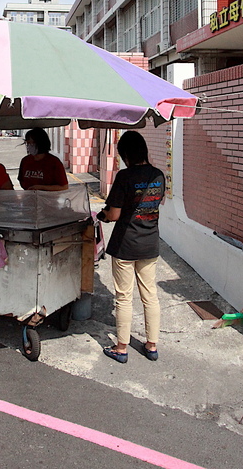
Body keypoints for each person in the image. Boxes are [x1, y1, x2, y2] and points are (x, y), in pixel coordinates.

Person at [97, 131, 165, 363]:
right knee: (150, 296)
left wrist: (103, 216)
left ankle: (122, 348)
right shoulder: (158, 175)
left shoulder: (125, 176)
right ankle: (152, 345)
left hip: (126, 244)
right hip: (149, 243)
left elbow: (114, 214)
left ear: (126, 154)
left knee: (124, 297)